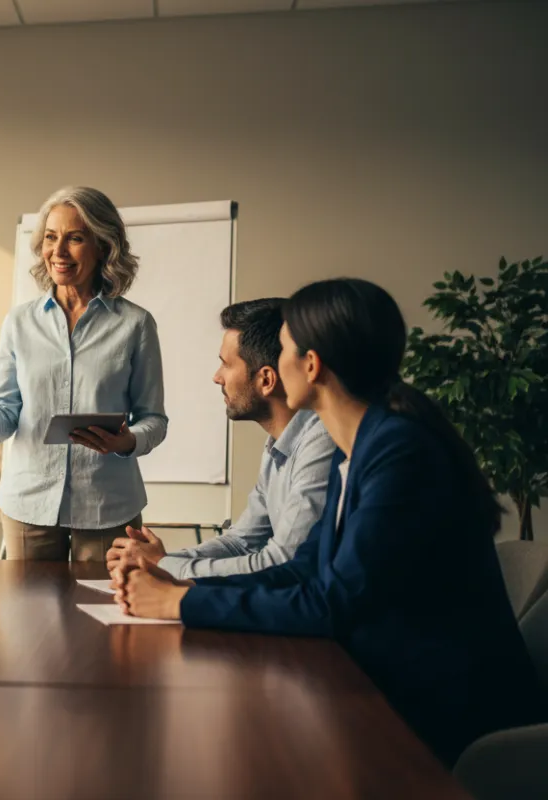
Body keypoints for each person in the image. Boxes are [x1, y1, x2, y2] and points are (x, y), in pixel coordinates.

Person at [113, 278, 541, 764]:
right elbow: (306, 568)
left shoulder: (398, 451)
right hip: (391, 685)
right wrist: (184, 592)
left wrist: (180, 605)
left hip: (442, 714)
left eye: (286, 347)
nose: (276, 358)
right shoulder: (363, 444)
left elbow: (335, 603)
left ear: (311, 365)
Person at [0, 186, 166, 562]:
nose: (57, 252)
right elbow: (4, 422)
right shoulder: (19, 323)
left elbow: (154, 418)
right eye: (50, 237)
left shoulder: (136, 325)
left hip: (108, 505)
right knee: (29, 620)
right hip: (28, 506)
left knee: (106, 616)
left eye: (75, 238)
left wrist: (125, 442)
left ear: (104, 247)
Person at [106, 299, 335, 578]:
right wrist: (156, 559)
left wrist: (164, 565)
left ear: (266, 379)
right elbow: (240, 542)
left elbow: (284, 561)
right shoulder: (278, 444)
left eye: (225, 365)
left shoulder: (321, 442)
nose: (217, 378)